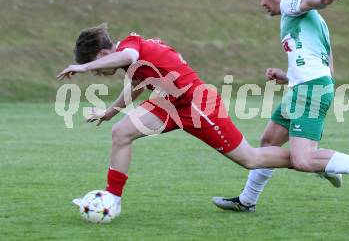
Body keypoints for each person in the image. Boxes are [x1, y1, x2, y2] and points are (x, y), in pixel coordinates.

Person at [57, 23, 296, 217]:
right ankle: (113, 199)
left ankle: (312, 159)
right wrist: (110, 112)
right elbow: (137, 84)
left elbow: (128, 55)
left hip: (196, 104)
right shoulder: (132, 59)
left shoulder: (130, 47)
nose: (98, 72)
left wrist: (84, 67)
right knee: (121, 132)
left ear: (103, 54)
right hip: (170, 103)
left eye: (98, 66)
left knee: (250, 159)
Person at [212, 0, 349, 212]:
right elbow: (324, 68)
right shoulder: (310, 23)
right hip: (304, 88)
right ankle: (247, 201)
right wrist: (287, 77)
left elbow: (309, 0)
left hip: (310, 90)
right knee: (269, 142)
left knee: (303, 160)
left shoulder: (289, 1)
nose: (262, 2)